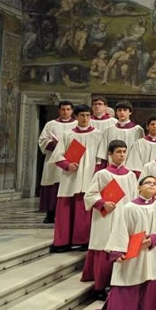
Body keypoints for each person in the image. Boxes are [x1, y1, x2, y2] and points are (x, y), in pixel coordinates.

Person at [99, 176, 156, 310]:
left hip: (151, 252)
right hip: (133, 254)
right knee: (128, 283)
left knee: (150, 284)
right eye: (148, 183)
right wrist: (117, 252)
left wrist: (153, 239)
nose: (152, 185)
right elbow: (120, 230)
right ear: (139, 187)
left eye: (154, 184)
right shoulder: (129, 207)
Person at [82, 139, 138, 294]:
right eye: (118, 152)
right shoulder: (102, 174)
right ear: (110, 154)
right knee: (104, 248)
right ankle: (99, 286)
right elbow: (89, 195)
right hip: (106, 216)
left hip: (124, 216)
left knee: (120, 246)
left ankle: (118, 284)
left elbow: (134, 197)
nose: (122, 155)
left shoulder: (131, 175)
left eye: (124, 152)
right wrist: (102, 203)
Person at [51, 104, 107, 251]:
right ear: (76, 117)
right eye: (82, 115)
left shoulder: (98, 134)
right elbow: (58, 155)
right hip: (70, 177)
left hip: (90, 175)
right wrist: (67, 165)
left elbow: (101, 158)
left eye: (88, 115)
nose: (85, 118)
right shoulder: (68, 134)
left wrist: (97, 175)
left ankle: (84, 240)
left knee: (85, 209)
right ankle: (63, 242)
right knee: (66, 208)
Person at [38, 100, 76, 223]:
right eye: (63, 109)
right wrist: (54, 144)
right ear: (59, 110)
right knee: (52, 186)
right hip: (53, 161)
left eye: (68, 109)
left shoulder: (76, 124)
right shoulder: (51, 124)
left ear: (72, 110)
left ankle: (67, 215)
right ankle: (50, 214)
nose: (65, 112)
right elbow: (42, 140)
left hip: (71, 160)